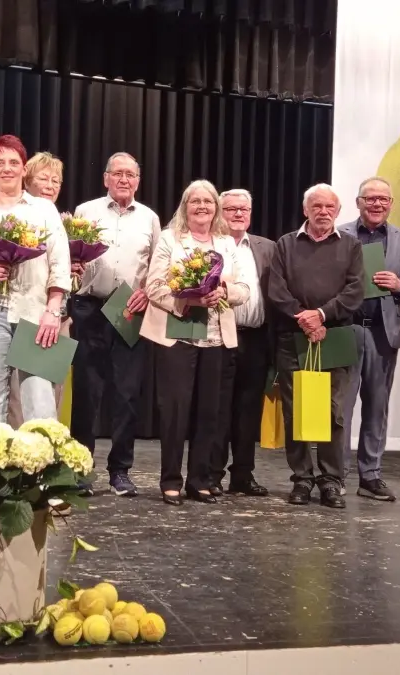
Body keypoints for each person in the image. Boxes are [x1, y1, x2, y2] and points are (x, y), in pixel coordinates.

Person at [141, 180, 251, 506]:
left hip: (217, 336)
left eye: (208, 201)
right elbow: (154, 286)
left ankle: (199, 480)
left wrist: (224, 293)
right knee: (175, 410)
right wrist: (187, 301)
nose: (202, 206)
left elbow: (244, 287)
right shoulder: (170, 238)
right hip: (178, 331)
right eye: (195, 201)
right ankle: (171, 480)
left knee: (209, 411)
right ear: (185, 206)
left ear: (216, 208)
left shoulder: (226, 243)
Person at [0, 135, 71, 424]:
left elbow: (59, 262)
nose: (6, 168)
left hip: (35, 314)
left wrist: (53, 310)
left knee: (40, 399)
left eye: (13, 162)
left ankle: (41, 467)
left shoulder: (43, 210)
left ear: (23, 169)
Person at [267, 183, 364, 509]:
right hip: (293, 337)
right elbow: (277, 289)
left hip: (334, 337)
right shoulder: (285, 244)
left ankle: (331, 481)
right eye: (317, 206)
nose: (323, 212)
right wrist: (304, 318)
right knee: (298, 412)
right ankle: (302, 480)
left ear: (338, 212)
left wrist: (322, 315)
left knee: (333, 413)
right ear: (305, 210)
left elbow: (355, 290)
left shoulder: (351, 245)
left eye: (329, 207)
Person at [68, 152, 159, 497]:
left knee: (127, 393)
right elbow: (70, 253)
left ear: (138, 180)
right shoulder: (85, 211)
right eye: (117, 173)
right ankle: (80, 468)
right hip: (89, 307)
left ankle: (120, 470)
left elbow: (155, 265)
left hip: (128, 310)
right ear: (105, 178)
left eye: (130, 174)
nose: (123, 179)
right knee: (87, 394)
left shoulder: (149, 218)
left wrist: (148, 291)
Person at [337, 177, 400, 501]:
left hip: (383, 333)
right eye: (370, 199)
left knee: (377, 406)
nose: (376, 204)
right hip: (345, 329)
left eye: (382, 199)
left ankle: (370, 475)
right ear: (358, 202)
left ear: (391, 203)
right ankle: (336, 473)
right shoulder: (341, 233)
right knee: (339, 408)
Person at [6, 151, 72, 428]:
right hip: (28, 313)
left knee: (51, 392)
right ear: (27, 181)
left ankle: (48, 454)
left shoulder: (63, 220)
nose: (50, 185)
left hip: (60, 315)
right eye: (43, 178)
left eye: (56, 180)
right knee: (22, 396)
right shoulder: (14, 216)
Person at [215, 188, 273, 497]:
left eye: (244, 209)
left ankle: (243, 476)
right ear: (219, 212)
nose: (238, 214)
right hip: (220, 337)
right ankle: (212, 474)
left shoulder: (267, 248)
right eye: (231, 209)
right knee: (218, 408)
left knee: (249, 411)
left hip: (256, 338)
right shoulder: (211, 245)